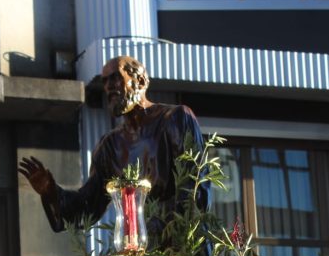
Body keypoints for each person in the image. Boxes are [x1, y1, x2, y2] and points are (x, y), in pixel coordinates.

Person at [19, 55, 204, 234]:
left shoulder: (175, 119)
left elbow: (196, 188)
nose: (108, 87)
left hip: (183, 248)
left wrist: (176, 235)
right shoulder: (110, 146)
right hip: (140, 252)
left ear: (140, 81)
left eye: (115, 78)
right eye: (105, 81)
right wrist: (52, 193)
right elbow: (88, 206)